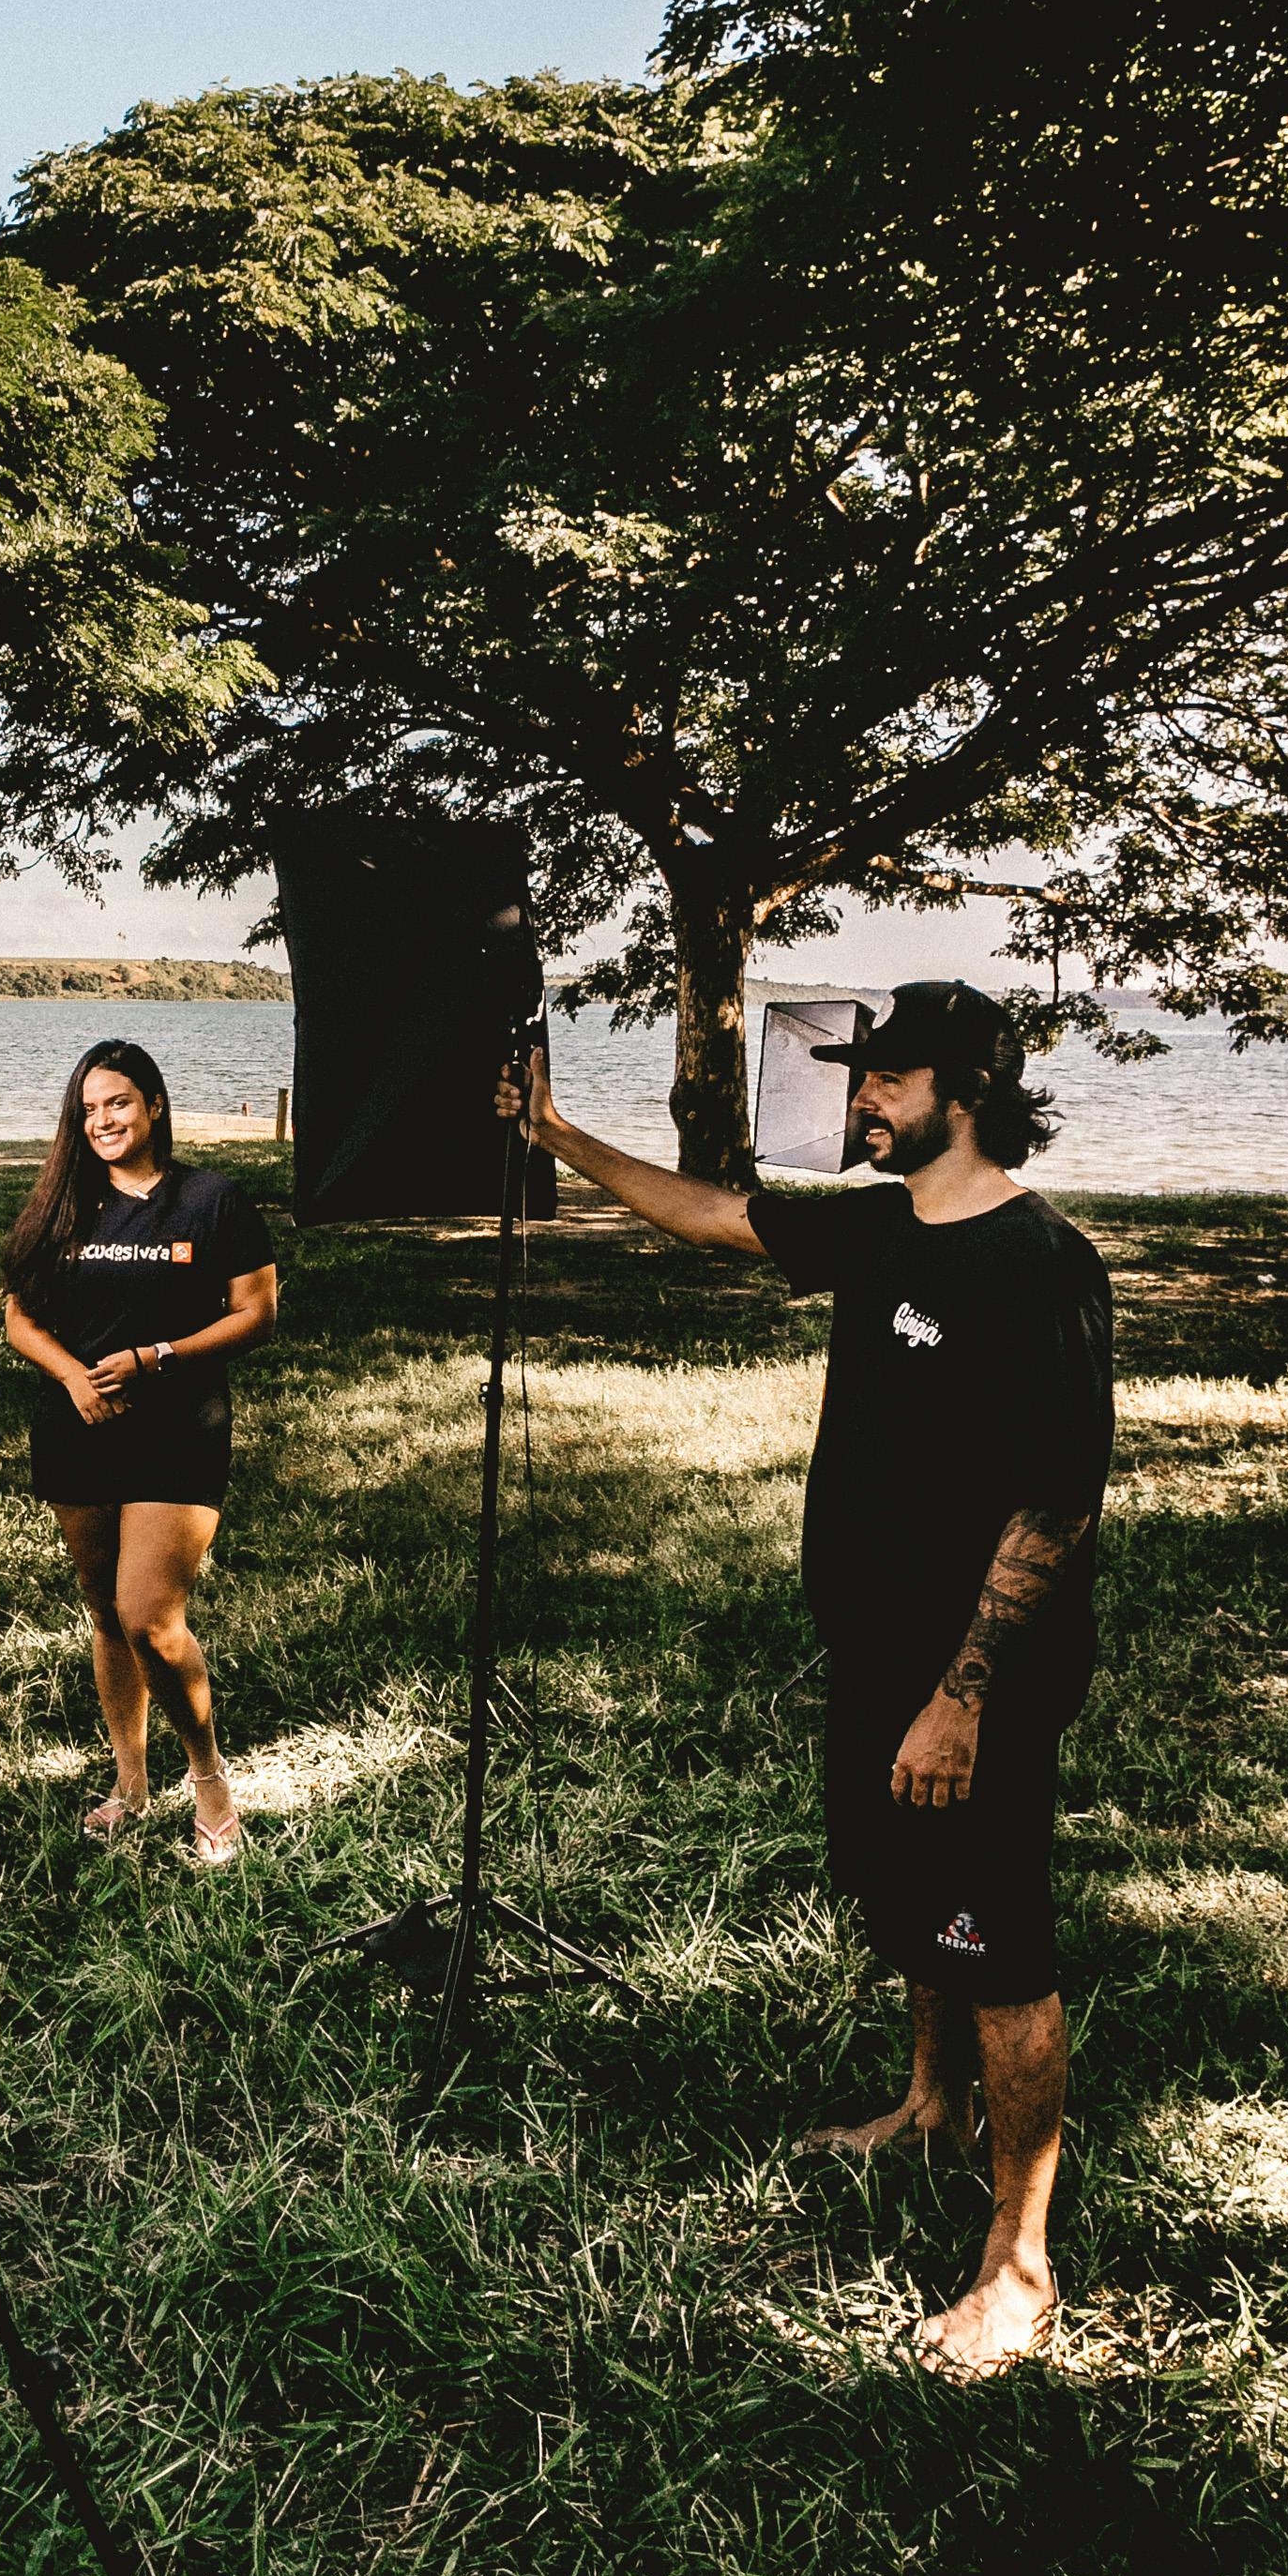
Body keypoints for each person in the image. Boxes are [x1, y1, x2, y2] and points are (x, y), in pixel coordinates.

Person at [502, 980, 1113, 2374]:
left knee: (998, 1945)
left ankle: (1020, 2265)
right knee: (911, 1894)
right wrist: (554, 1132)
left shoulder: (1042, 1266)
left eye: (882, 1082)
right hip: (876, 1651)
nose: (858, 1105)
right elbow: (714, 1215)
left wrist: (959, 1693)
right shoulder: (878, 1229)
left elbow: (1053, 1508)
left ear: (961, 1087)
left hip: (974, 1680)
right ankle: (927, 2106)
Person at [2, 1040, 280, 1867]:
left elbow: (256, 1314)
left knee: (150, 1619)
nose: (102, 1121)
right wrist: (71, 1379)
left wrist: (157, 1357)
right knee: (103, 1613)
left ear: (154, 1104)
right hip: (76, 1430)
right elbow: (20, 1318)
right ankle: (129, 1781)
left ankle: (210, 1781)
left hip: (177, 1429)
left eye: (117, 1103)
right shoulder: (64, 1204)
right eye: (88, 1108)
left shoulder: (211, 1199)